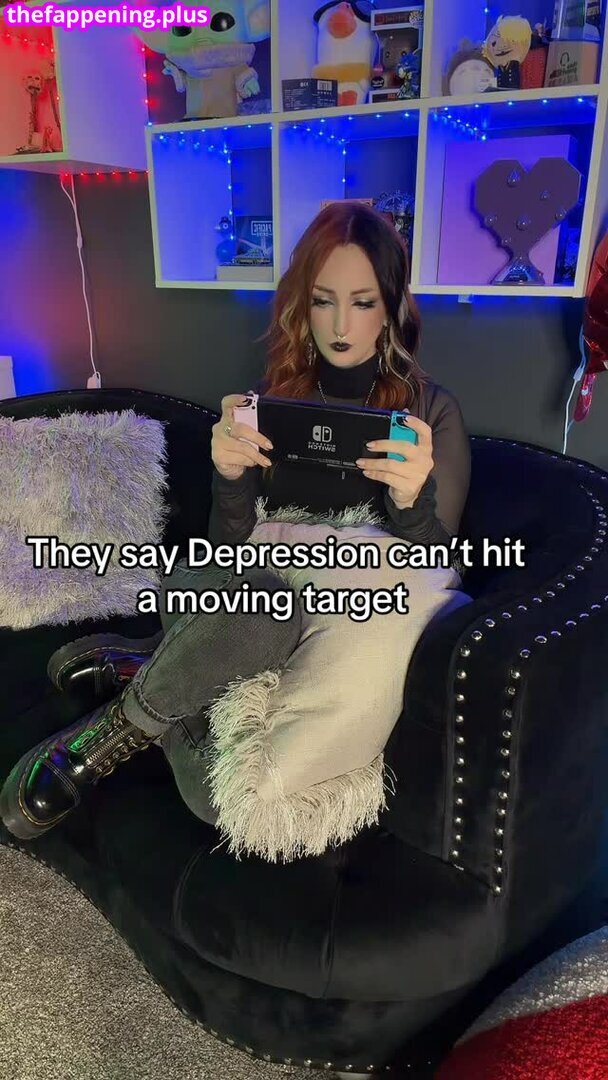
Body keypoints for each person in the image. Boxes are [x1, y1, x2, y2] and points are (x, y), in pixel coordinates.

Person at [0, 202, 471, 845]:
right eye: (323, 301)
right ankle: (101, 740)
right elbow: (225, 547)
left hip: (333, 620)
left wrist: (412, 500)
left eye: (362, 303)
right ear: (301, 304)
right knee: (259, 604)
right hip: (232, 601)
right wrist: (228, 476)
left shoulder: (431, 411)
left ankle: (147, 678)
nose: (340, 325)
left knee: (216, 797)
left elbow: (436, 562)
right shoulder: (272, 396)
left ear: (390, 307)